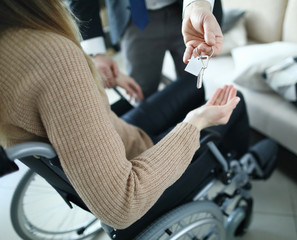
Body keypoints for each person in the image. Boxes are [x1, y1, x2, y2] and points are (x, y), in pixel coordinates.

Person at [0, 0, 247, 238]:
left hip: (117, 130)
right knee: (237, 103)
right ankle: (240, 165)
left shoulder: (13, 44)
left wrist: (89, 74)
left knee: (190, 85)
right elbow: (122, 205)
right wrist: (195, 122)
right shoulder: (50, 54)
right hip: (136, 155)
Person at [69, 0, 224, 99]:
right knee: (142, 93)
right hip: (134, 18)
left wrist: (197, 5)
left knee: (193, 84)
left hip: (187, 15)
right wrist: (95, 52)